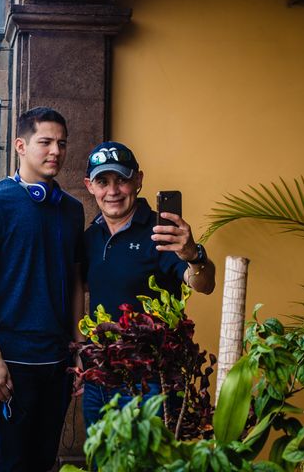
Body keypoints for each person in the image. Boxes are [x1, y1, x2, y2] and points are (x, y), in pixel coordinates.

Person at [0, 107, 85, 471]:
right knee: (10, 462)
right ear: (20, 145)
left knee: (44, 459)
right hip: (12, 365)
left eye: (61, 143)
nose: (56, 152)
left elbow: (77, 282)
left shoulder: (72, 210)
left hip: (57, 363)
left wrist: (78, 349)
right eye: (45, 142)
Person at [81, 141, 216, 429]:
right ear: (90, 186)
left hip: (153, 383)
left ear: (138, 180)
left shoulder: (161, 232)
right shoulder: (90, 237)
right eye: (103, 181)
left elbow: (204, 283)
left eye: (122, 179)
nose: (113, 191)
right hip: (100, 380)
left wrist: (194, 255)